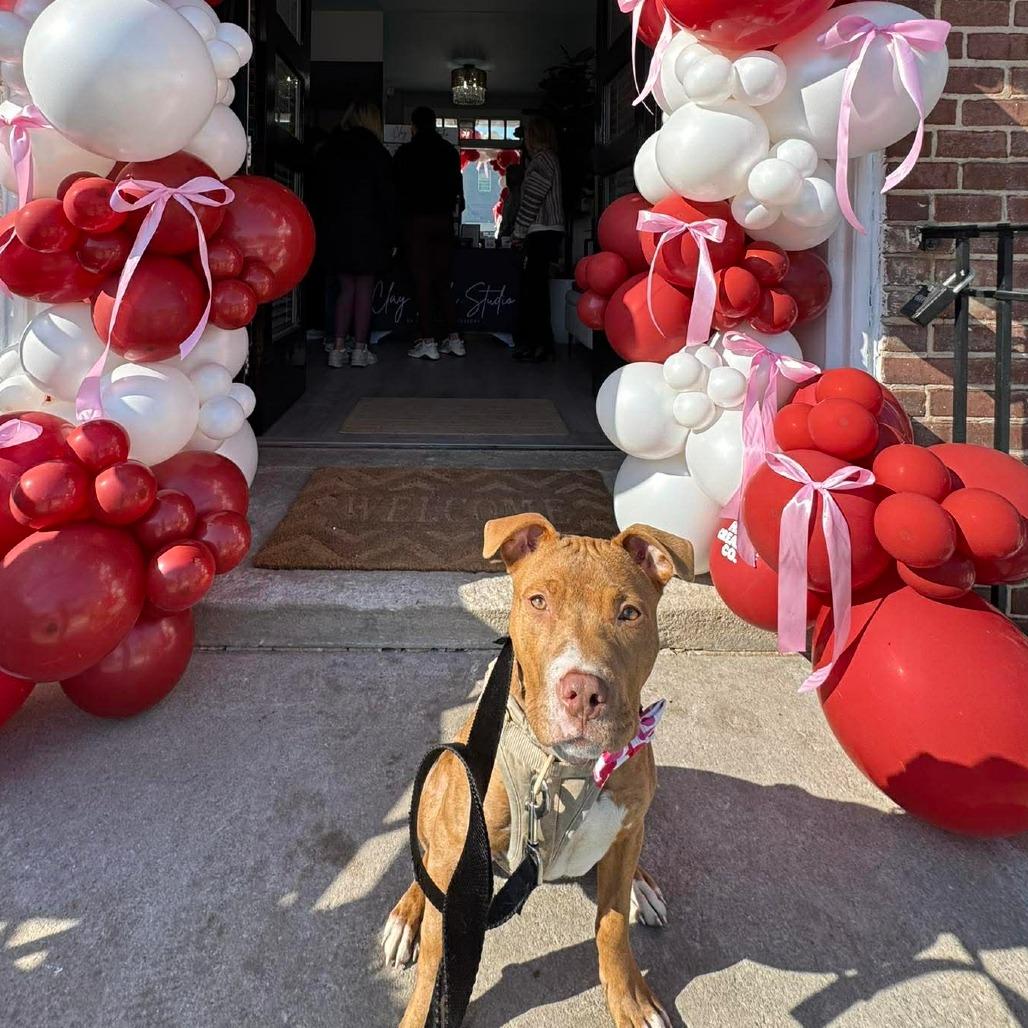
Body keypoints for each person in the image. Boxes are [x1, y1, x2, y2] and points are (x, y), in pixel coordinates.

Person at [315, 101, 395, 369]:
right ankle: (360, 349)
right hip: (371, 232)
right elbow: (388, 200)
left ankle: (337, 348)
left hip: (337, 230)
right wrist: (392, 236)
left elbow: (320, 193)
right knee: (364, 290)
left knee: (345, 289)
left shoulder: (332, 151)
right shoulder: (379, 153)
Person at [393, 106, 465, 360]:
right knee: (443, 281)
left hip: (416, 223)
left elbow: (397, 191)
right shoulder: (448, 152)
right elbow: (458, 189)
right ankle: (454, 338)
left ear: (414, 125)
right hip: (443, 221)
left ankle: (428, 340)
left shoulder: (405, 153)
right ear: (435, 124)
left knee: (422, 282)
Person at [511, 116, 565, 363]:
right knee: (538, 290)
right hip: (550, 231)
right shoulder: (551, 159)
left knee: (533, 291)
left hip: (541, 231)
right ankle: (541, 343)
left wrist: (519, 232)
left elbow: (532, 199)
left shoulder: (541, 160)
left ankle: (537, 343)